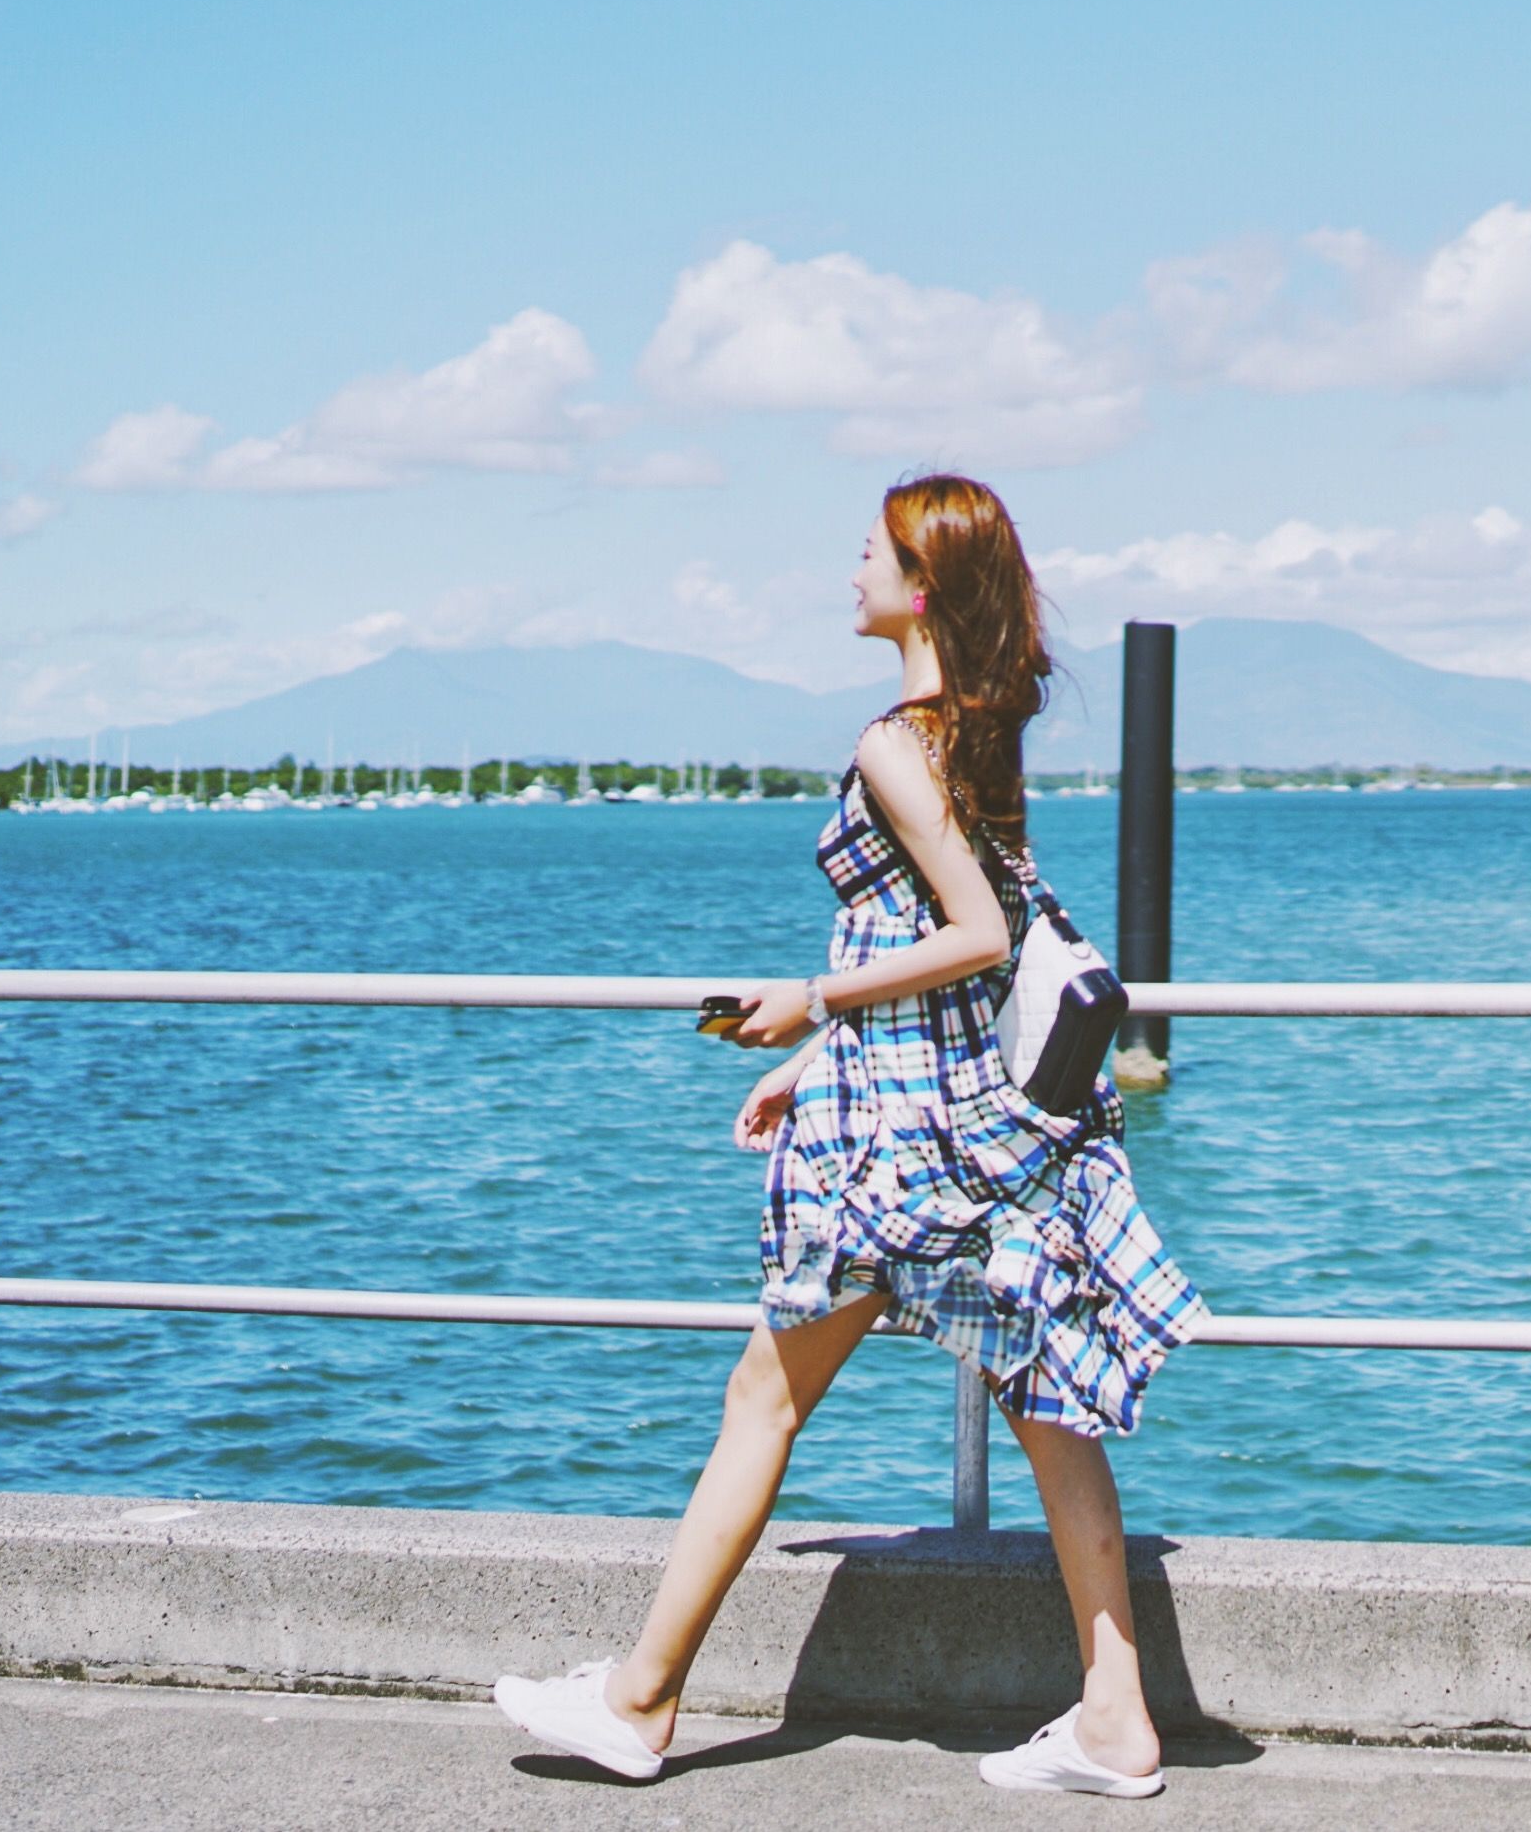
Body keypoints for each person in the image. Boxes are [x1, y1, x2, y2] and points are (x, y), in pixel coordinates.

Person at [494, 474, 1201, 1799]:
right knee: (1052, 1412)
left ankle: (637, 1703)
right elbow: (958, 943)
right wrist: (821, 1050)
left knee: (761, 1402)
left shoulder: (897, 741)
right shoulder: (975, 732)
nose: (848, 568)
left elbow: (978, 938)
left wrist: (808, 1002)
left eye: (868, 552)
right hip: (965, 1125)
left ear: (920, 585)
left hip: (895, 1149)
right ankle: (1115, 1723)